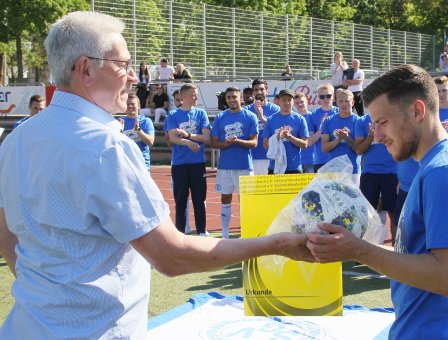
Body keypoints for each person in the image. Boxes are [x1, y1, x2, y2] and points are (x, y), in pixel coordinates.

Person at [0, 11, 312, 339]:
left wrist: (50, 300)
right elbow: (171, 256)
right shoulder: (106, 146)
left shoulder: (16, 139)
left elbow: (8, 237)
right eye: (123, 65)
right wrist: (275, 244)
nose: (134, 77)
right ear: (85, 69)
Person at [306, 64, 448, 339]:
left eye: (383, 122)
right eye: (374, 125)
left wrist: (358, 250)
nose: (378, 135)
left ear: (417, 111)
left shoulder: (443, 171)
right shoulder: (438, 163)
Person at [210, 86, 258, 238]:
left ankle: (247, 232)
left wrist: (238, 141)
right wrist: (227, 143)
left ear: (240, 98)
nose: (231, 100)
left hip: (244, 166)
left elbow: (254, 143)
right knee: (225, 198)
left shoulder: (250, 116)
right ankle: (225, 233)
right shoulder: (220, 118)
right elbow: (214, 143)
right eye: (229, 97)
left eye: (234, 97)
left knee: (245, 201)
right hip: (225, 166)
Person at [166, 83, 211, 235]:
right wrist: (187, 142)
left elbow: (206, 137)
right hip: (180, 164)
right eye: (193, 95)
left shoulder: (200, 114)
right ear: (183, 97)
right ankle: (180, 232)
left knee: (199, 199)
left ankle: (202, 231)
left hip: (197, 164)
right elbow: (172, 137)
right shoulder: (173, 115)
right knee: (180, 201)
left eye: (196, 94)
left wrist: (189, 135)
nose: (196, 97)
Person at [354, 110, 398, 242]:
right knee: (366, 213)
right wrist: (370, 136)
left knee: (394, 212)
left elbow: (400, 143)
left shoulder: (392, 117)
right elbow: (359, 149)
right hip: (369, 173)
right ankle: (365, 249)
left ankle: (397, 249)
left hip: (392, 172)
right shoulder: (362, 121)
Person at [263, 89, 308, 174]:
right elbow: (265, 145)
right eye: (284, 99)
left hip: (294, 167)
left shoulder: (300, 119)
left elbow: (304, 144)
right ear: (279, 101)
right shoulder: (271, 119)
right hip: (275, 167)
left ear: (293, 101)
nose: (286, 102)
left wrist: (289, 137)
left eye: (289, 100)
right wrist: (277, 137)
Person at [321, 89, 361, 184]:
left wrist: (347, 138)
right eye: (341, 101)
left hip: (353, 170)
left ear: (352, 102)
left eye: (347, 101)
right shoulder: (328, 121)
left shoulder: (359, 121)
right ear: (336, 103)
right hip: (334, 170)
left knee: (353, 198)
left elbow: (360, 150)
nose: (344, 104)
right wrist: (338, 139)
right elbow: (325, 148)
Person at [246, 79, 280, 174]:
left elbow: (279, 130)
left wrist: (262, 118)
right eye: (256, 90)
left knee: (270, 189)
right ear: (253, 92)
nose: (259, 92)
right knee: (251, 189)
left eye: (261, 89)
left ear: (267, 91)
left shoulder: (276, 110)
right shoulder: (246, 111)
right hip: (250, 158)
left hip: (271, 157)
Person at [120, 92, 155, 169]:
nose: (130, 106)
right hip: (125, 164)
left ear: (138, 106)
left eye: (133, 104)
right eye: (128, 104)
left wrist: (138, 130)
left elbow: (150, 142)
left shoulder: (146, 121)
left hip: (142, 164)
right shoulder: (120, 122)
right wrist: (120, 133)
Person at [309, 83, 338, 172]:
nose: (325, 99)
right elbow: (310, 142)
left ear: (333, 97)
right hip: (320, 161)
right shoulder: (313, 115)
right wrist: (321, 128)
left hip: (338, 161)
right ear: (318, 98)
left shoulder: (340, 112)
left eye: (328, 96)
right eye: (322, 97)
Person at [294, 92, 315, 173]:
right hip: (296, 162)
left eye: (302, 102)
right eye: (297, 103)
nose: (300, 104)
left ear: (307, 101)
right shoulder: (293, 118)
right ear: (294, 104)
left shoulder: (313, 117)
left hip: (311, 160)